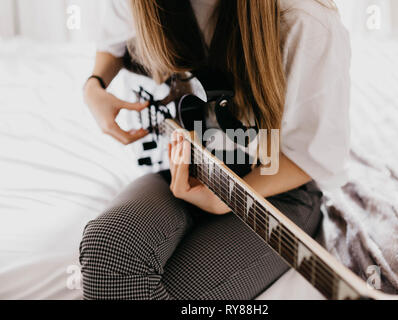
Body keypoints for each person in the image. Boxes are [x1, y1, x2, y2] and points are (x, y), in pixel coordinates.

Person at [80, 0, 351, 300]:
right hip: (183, 168)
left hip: (276, 188)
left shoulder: (305, 19)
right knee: (106, 251)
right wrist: (94, 85)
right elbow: (113, 41)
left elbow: (316, 155)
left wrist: (228, 199)